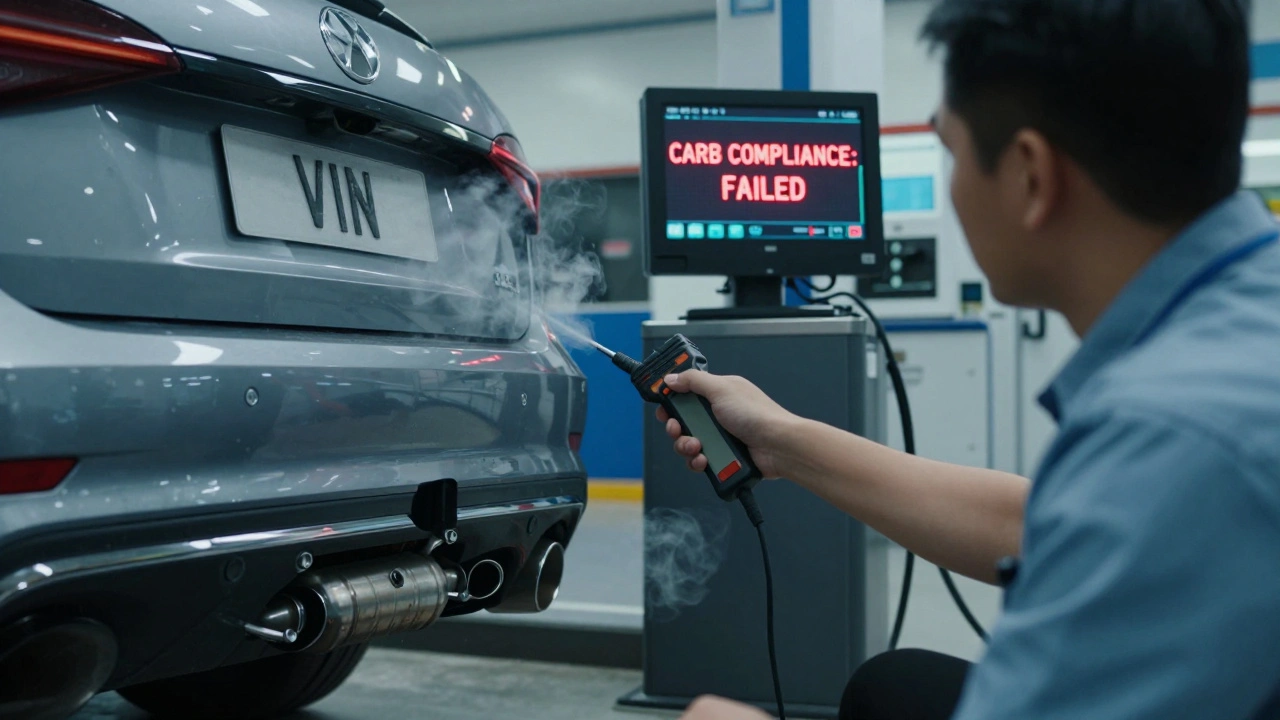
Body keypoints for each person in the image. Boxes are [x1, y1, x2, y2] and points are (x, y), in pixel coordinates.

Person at [663, 1, 1280, 719]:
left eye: (950, 153)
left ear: (1030, 176)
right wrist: (784, 442)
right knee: (895, 686)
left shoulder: (1173, 432)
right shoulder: (1241, 324)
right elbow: (1037, 526)